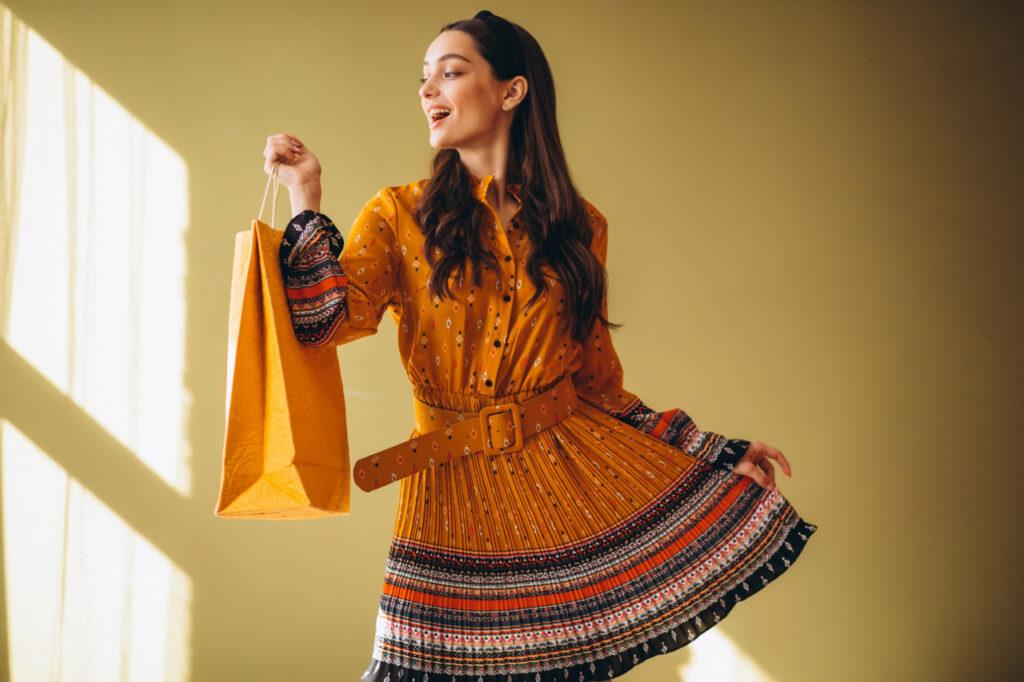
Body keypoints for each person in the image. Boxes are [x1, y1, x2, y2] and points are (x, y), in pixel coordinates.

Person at [262, 10, 816, 682]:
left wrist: (713, 452)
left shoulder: (579, 228)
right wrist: (305, 195)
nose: (427, 89)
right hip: (449, 496)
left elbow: (598, 388)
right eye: (424, 77)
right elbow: (323, 324)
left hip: (561, 495)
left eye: (451, 71)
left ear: (511, 91)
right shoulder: (398, 215)